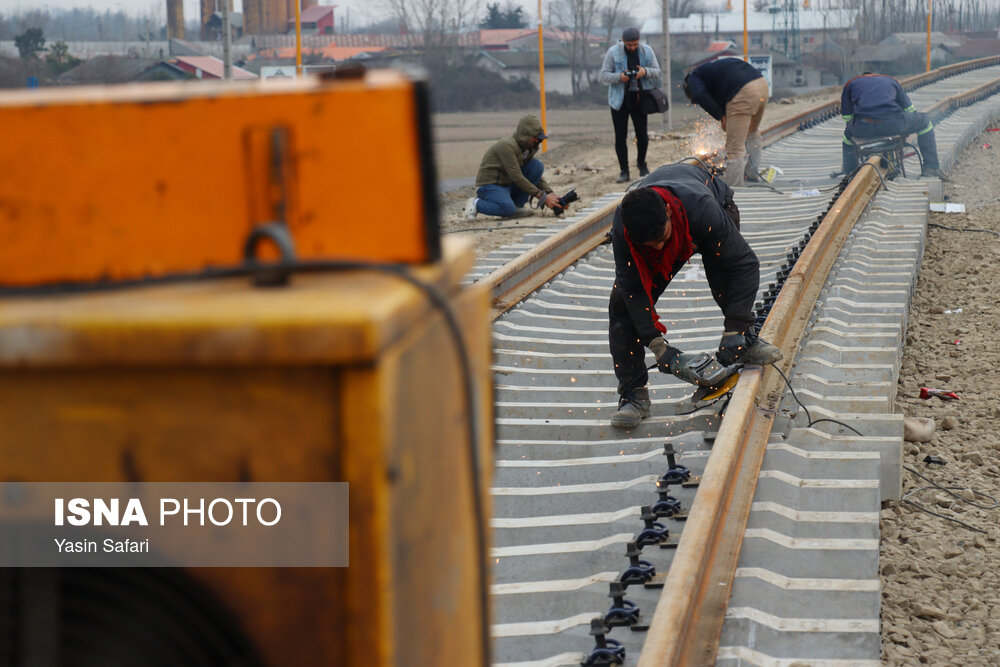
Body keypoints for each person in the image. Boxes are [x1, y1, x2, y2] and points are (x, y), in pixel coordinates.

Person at [608, 162, 782, 428]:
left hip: (707, 210)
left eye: (661, 238)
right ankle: (634, 395)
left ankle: (744, 341)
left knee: (725, 271)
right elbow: (632, 290)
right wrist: (659, 347)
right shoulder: (623, 227)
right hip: (671, 221)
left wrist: (734, 328)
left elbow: (745, 264)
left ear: (667, 211)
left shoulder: (704, 210)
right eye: (650, 245)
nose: (658, 247)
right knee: (621, 307)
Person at [683, 58, 769, 188]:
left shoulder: (693, 78)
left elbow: (700, 94)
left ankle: (734, 189)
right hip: (761, 85)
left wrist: (721, 116)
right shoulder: (713, 72)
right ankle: (751, 174)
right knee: (751, 132)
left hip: (743, 92)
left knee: (734, 147)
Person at [840, 71, 942, 177]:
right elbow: (910, 109)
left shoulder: (851, 83)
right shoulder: (890, 80)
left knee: (847, 136)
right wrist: (907, 124)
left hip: (864, 128)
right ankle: (931, 167)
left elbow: (847, 117)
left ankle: (850, 171)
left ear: (862, 77)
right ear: (876, 75)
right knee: (925, 121)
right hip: (893, 125)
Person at [465, 114, 560, 220]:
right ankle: (476, 203)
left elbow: (534, 178)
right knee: (507, 209)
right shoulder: (507, 146)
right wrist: (543, 197)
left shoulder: (526, 149)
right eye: (535, 138)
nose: (537, 141)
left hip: (507, 185)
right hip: (489, 186)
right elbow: (517, 176)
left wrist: (551, 195)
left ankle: (517, 207)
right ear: (526, 134)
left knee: (536, 166)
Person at [599, 27, 661, 184]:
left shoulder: (647, 51)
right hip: (619, 101)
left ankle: (642, 164)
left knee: (642, 134)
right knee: (620, 136)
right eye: (629, 45)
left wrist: (644, 72)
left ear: (639, 41)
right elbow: (604, 75)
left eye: (635, 44)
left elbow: (657, 71)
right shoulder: (613, 52)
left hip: (641, 99)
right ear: (623, 41)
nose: (632, 47)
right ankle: (624, 171)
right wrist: (619, 77)